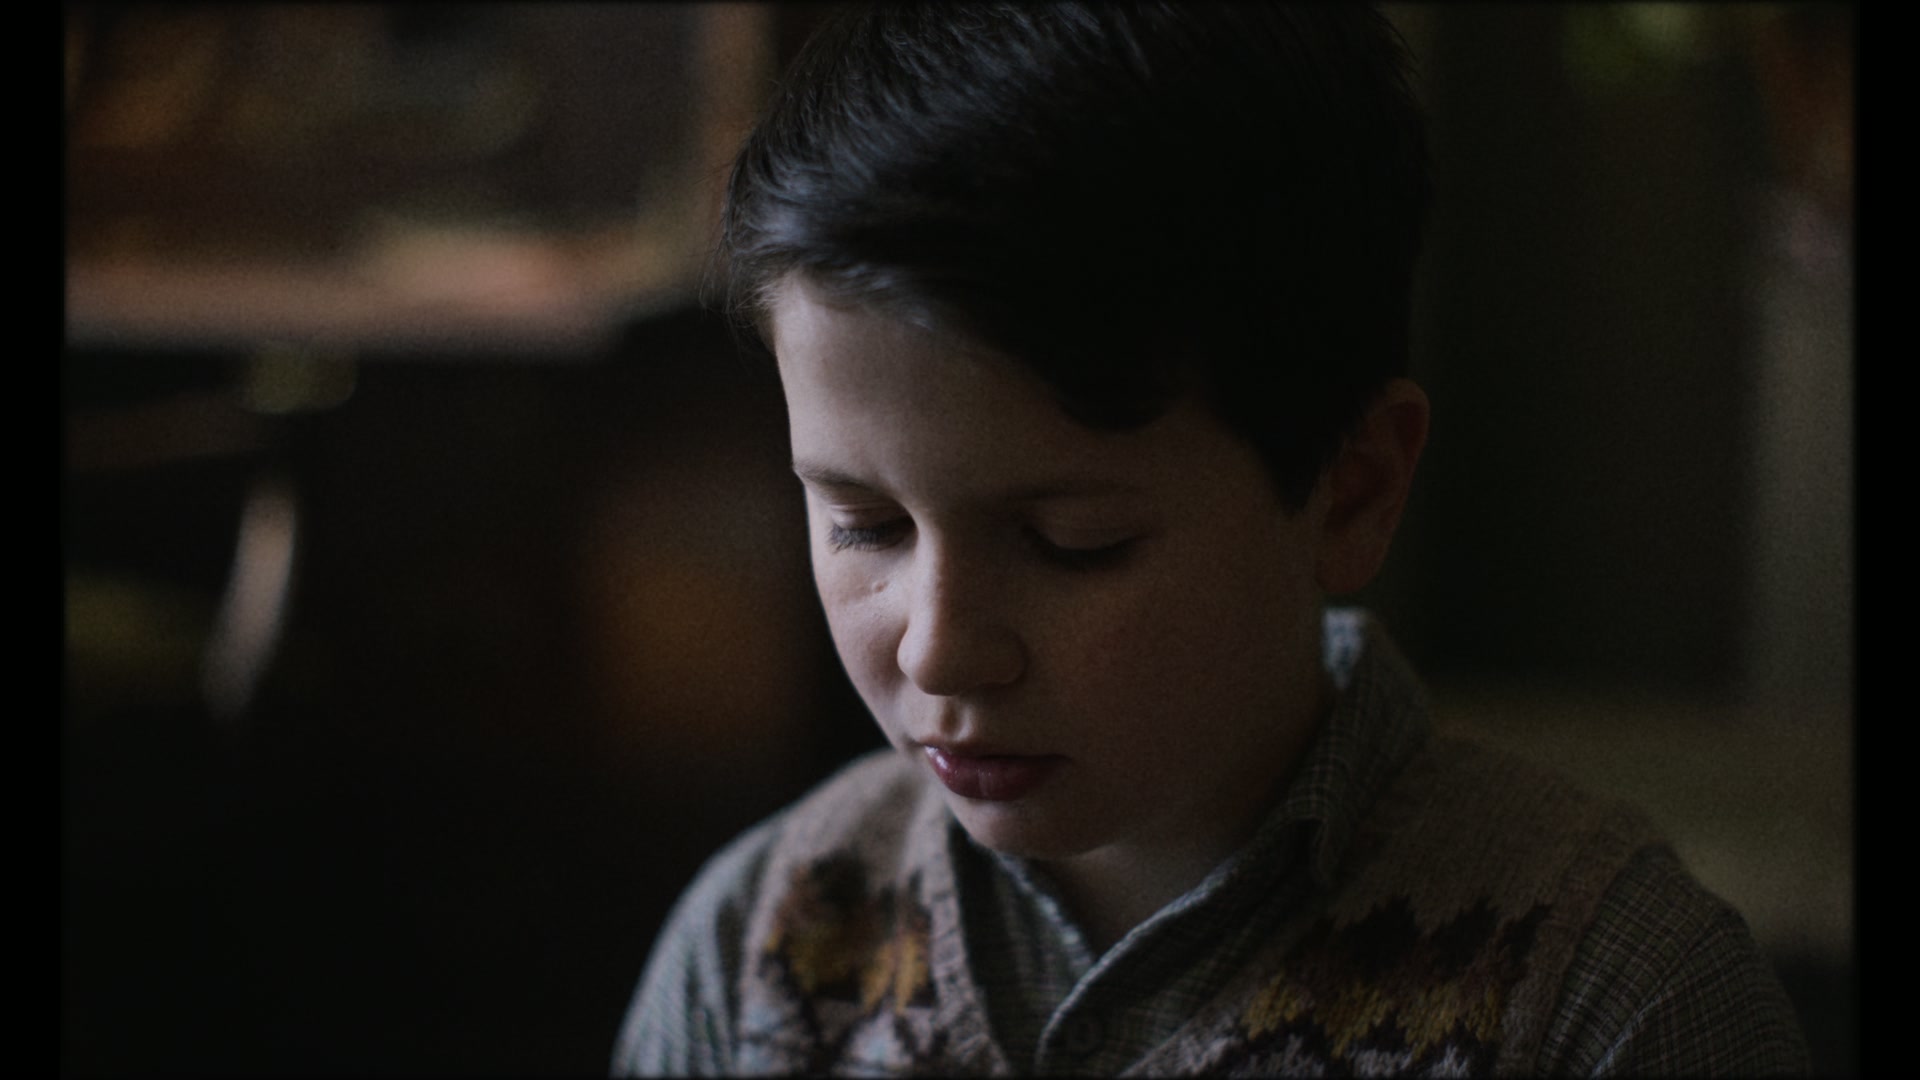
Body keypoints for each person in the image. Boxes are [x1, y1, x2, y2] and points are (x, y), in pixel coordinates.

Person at [612, 4, 1811, 1074]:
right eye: (863, 525)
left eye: (1072, 541)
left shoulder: (1606, 1001)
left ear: (1351, 490)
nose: (939, 649)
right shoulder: (762, 950)